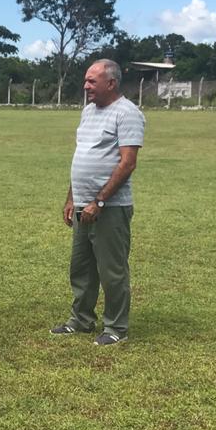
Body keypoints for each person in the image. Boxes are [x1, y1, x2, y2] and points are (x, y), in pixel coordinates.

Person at [51, 58, 145, 345]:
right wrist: (72, 198)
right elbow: (82, 156)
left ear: (111, 83)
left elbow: (128, 163)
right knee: (81, 267)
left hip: (110, 208)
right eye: (86, 80)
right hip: (83, 204)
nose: (86, 86)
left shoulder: (127, 113)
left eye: (92, 81)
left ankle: (116, 327)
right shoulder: (88, 112)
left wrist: (99, 201)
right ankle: (81, 319)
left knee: (111, 270)